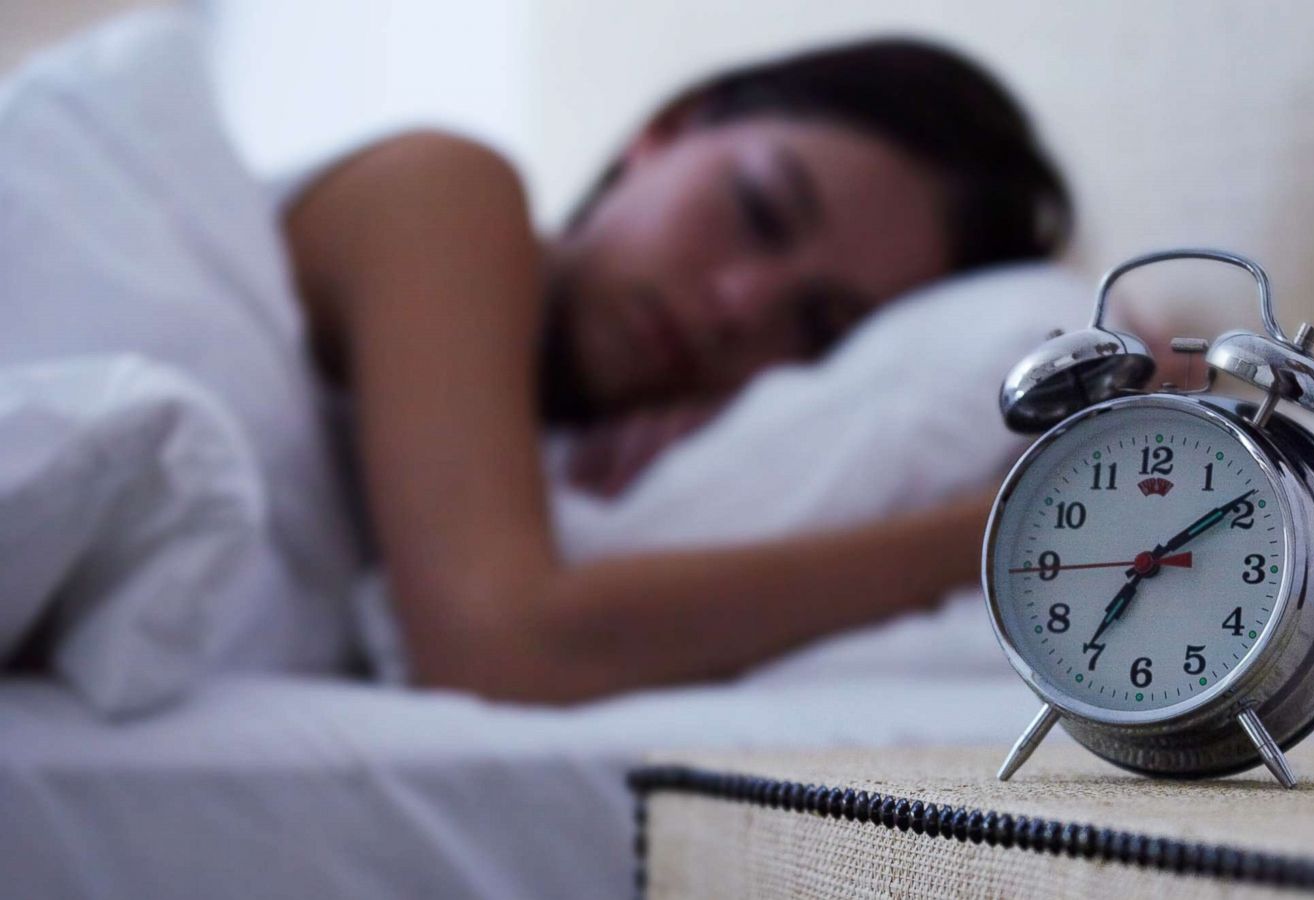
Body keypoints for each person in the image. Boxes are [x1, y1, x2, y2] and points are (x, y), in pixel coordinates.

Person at [281, 38, 1069, 703]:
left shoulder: (566, 450)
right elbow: (505, 646)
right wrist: (1004, 529)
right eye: (759, 210)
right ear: (665, 131)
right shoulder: (446, 189)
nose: (737, 307)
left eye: (817, 328)